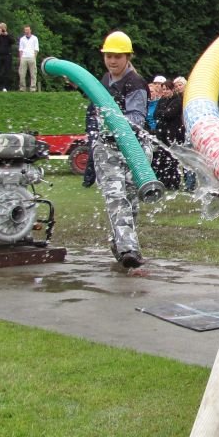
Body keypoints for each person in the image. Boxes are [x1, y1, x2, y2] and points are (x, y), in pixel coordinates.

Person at [87, 30, 150, 268]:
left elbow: (137, 119)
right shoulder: (105, 79)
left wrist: (113, 120)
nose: (112, 61)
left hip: (131, 149)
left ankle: (120, 243)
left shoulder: (135, 83)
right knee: (115, 197)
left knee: (130, 203)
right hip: (107, 149)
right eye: (109, 56)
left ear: (127, 57)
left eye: (117, 56)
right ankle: (128, 250)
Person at [154, 77, 185, 190]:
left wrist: (162, 113)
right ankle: (163, 181)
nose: (165, 91)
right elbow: (155, 114)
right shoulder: (162, 100)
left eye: (167, 89)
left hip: (173, 134)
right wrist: (163, 112)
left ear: (172, 89)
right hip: (162, 133)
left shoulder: (177, 100)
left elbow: (170, 114)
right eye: (163, 89)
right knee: (162, 158)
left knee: (172, 159)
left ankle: (173, 182)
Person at [18, 25, 39, 92]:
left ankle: (33, 88)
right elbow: (20, 49)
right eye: (25, 30)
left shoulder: (35, 38)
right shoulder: (22, 39)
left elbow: (36, 49)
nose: (27, 31)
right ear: (24, 31)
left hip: (32, 57)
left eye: (28, 30)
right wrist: (21, 58)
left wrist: (34, 57)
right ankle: (22, 88)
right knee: (22, 74)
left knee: (33, 74)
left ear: (30, 30)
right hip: (24, 57)